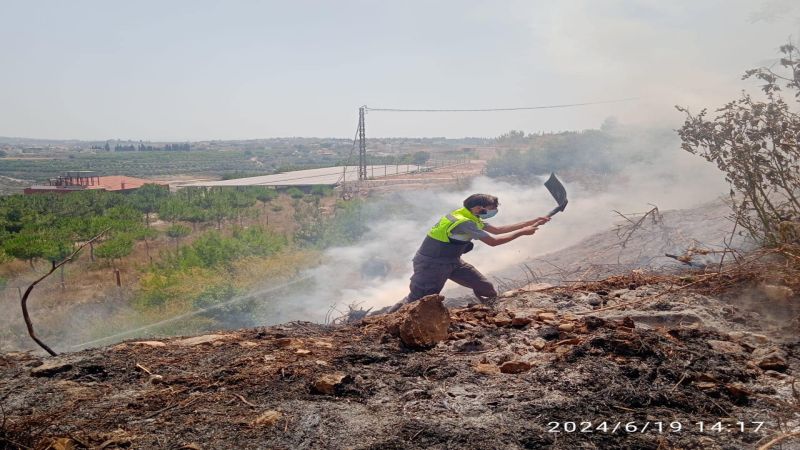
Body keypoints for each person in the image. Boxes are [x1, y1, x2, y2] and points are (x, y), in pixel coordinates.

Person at [386, 194, 550, 313]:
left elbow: (498, 230)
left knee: (485, 288)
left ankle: (490, 312)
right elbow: (494, 242)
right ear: (479, 208)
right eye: (493, 209)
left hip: (453, 261)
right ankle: (385, 321)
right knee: (418, 299)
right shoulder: (464, 222)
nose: (495, 211)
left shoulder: (470, 215)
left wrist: (531, 221)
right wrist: (523, 232)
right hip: (432, 264)